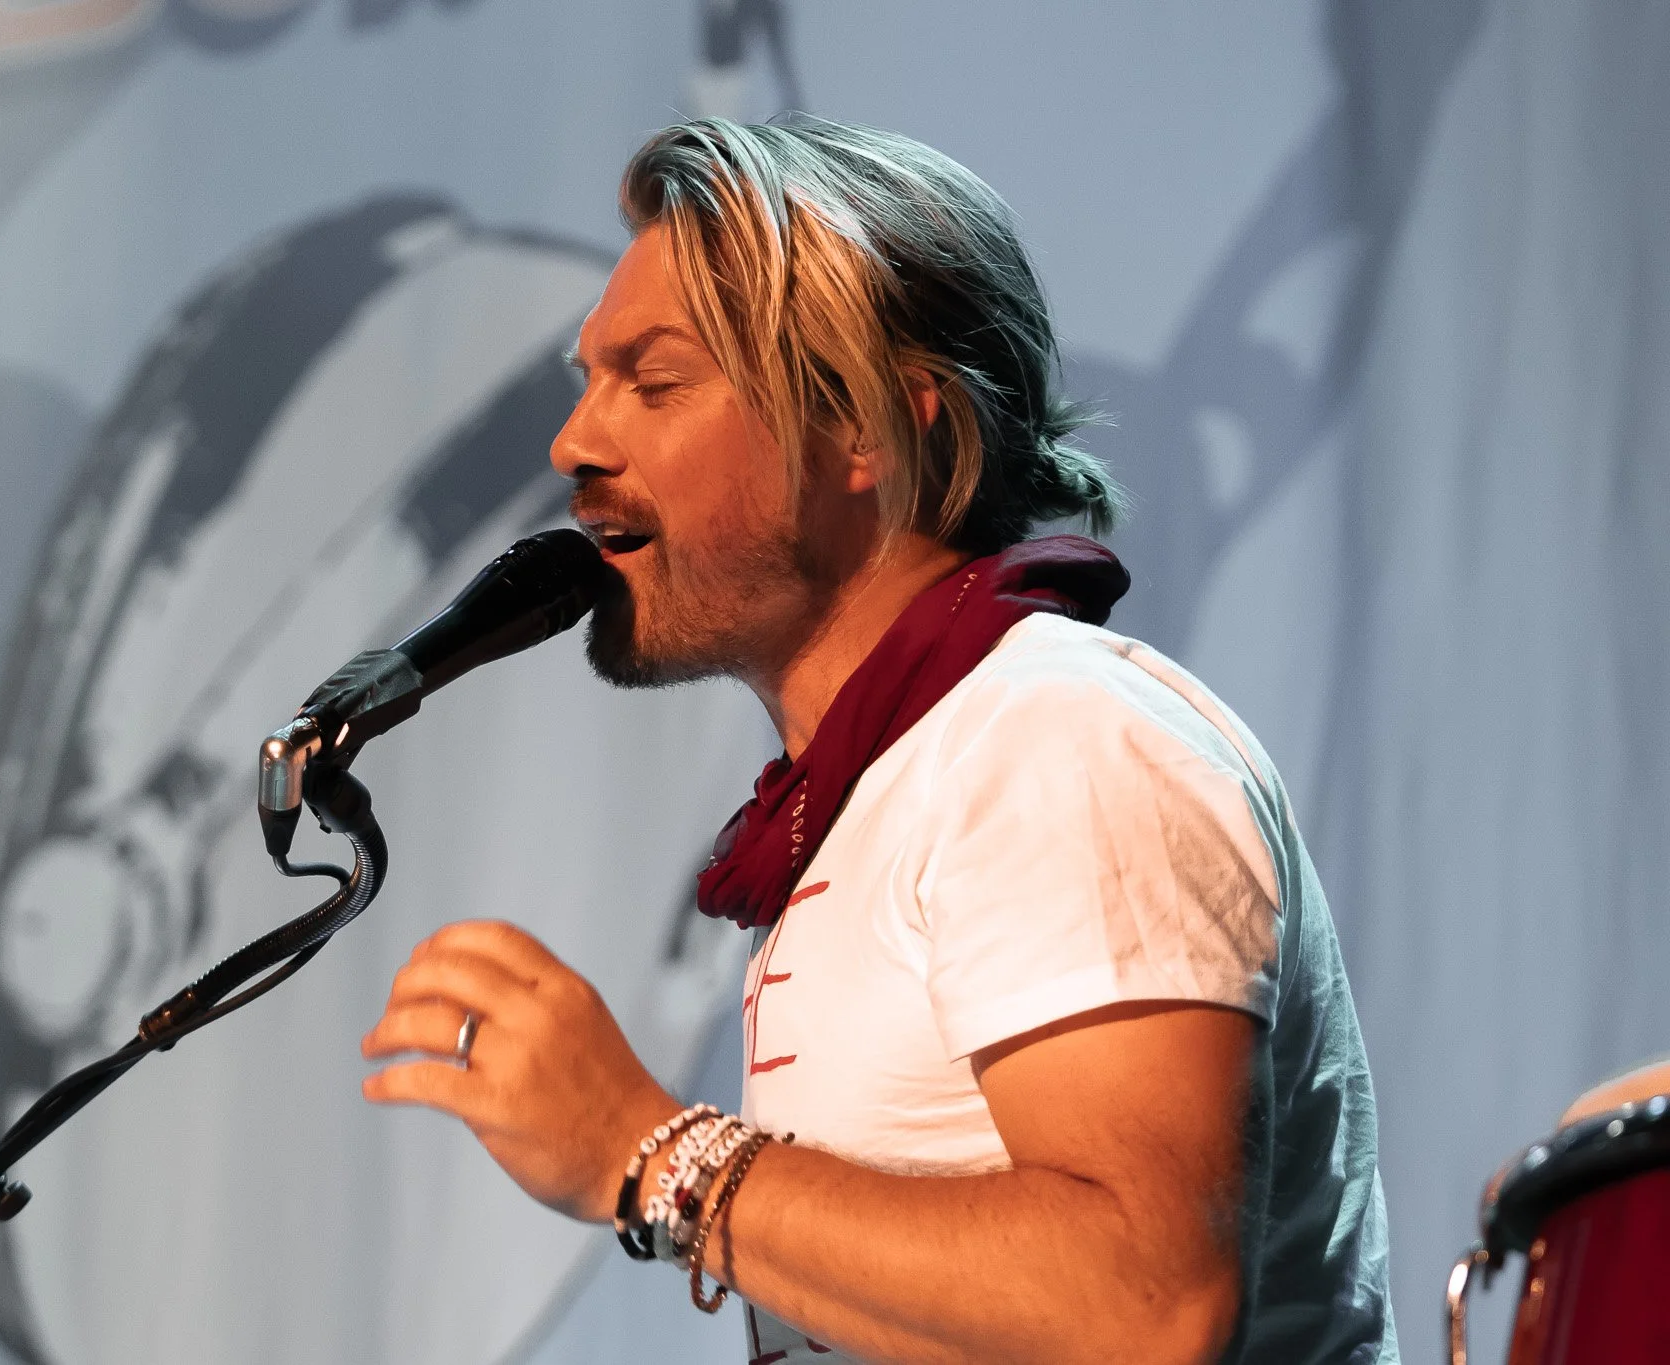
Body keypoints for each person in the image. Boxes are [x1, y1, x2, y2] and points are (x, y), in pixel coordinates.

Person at [359, 116, 1396, 1365]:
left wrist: (647, 1154)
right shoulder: (883, 790)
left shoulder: (1054, 741)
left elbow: (1142, 1308)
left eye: (655, 382)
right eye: (588, 379)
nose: (574, 442)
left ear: (867, 428)